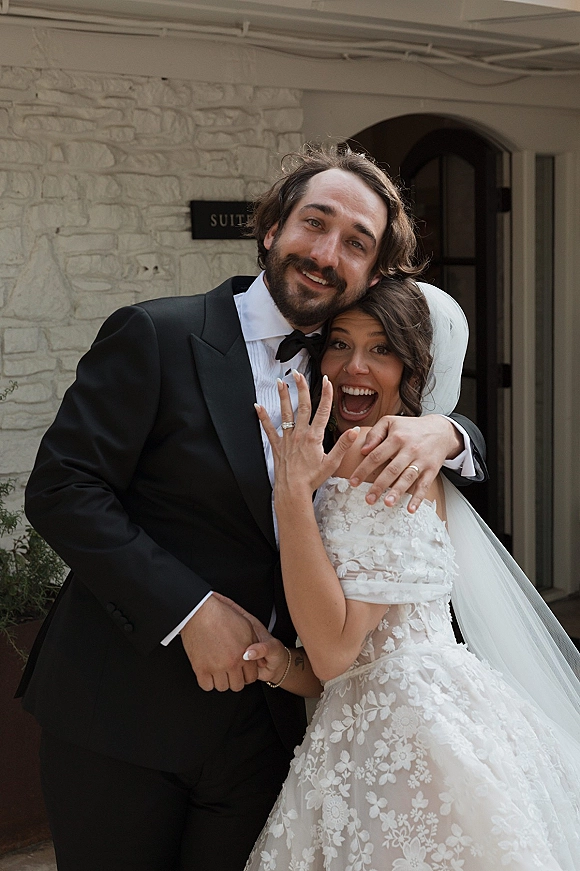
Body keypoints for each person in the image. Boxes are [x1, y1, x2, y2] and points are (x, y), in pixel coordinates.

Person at [17, 146, 486, 871]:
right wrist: (189, 608)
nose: (327, 253)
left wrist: (451, 430)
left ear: (374, 272)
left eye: (355, 243)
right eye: (314, 223)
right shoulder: (157, 334)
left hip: (272, 731)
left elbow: (431, 436)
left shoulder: (349, 373)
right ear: (271, 228)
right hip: (125, 714)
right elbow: (63, 487)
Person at [243, 277, 580, 870]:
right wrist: (283, 667)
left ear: (414, 369)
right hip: (381, 721)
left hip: (412, 746)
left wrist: (292, 495)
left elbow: (337, 652)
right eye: (341, 343)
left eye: (382, 349)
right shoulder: (368, 450)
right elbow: (355, 665)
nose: (355, 366)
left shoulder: (380, 464)